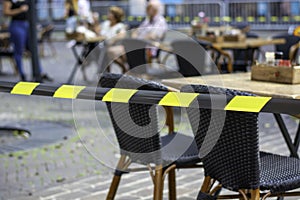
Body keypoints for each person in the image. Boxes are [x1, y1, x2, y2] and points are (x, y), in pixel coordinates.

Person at [3, 0, 53, 81]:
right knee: (19, 50)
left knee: (33, 49)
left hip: (28, 24)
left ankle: (39, 72)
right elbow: (6, 12)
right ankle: (22, 74)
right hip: (17, 24)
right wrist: (20, 10)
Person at [99, 6, 127, 72]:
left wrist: (111, 40)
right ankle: (109, 73)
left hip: (116, 46)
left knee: (107, 52)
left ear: (115, 16)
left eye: (110, 13)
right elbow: (99, 33)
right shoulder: (105, 24)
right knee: (105, 52)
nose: (108, 14)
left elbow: (122, 36)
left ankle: (123, 67)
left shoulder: (120, 26)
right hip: (104, 46)